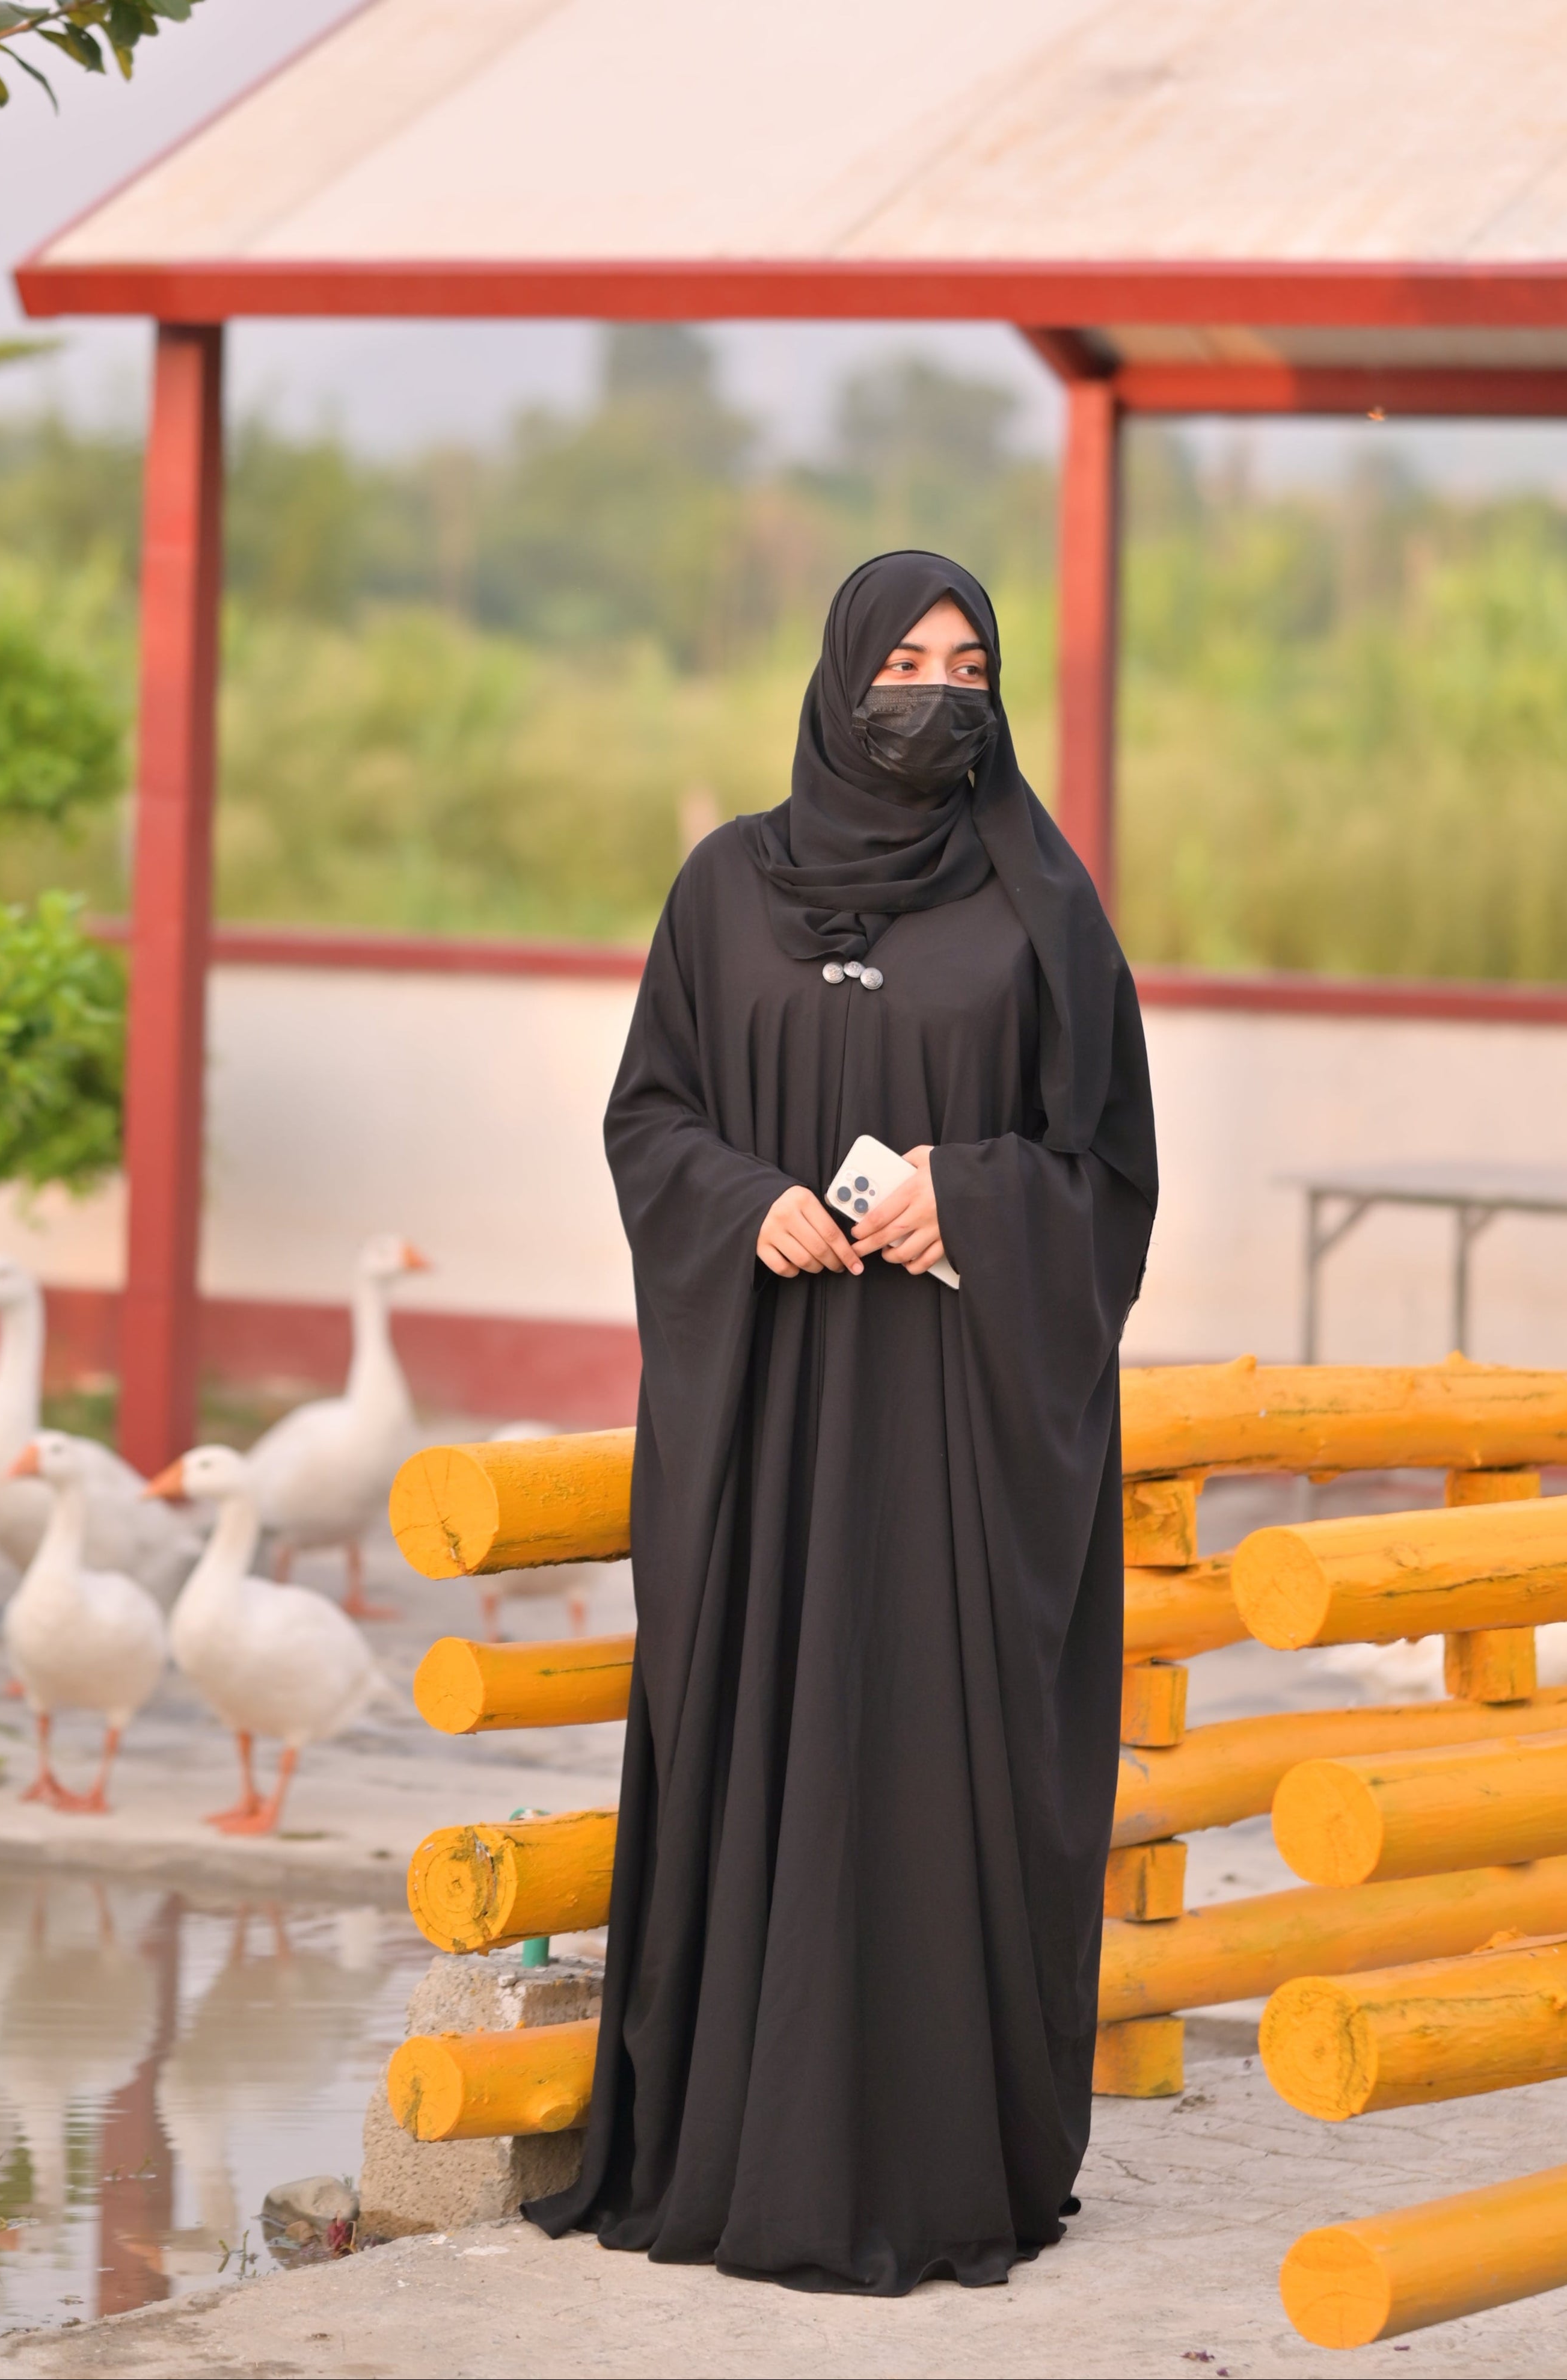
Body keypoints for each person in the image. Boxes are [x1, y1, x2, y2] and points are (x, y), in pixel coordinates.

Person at [529, 550, 1158, 2295]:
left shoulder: (1042, 902)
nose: (934, 691)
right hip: (769, 1419)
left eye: (967, 663)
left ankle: (950, 2162)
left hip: (956, 1432)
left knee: (936, 1750)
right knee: (756, 1728)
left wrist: (982, 1194)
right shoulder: (722, 888)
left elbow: (1106, 1174)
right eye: (901, 656)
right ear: (833, 673)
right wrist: (738, 1200)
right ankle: (737, 2140)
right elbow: (648, 1116)